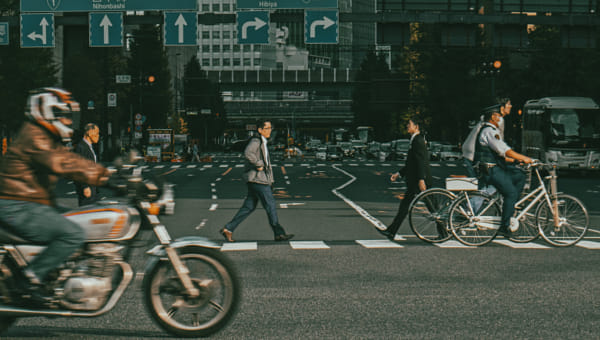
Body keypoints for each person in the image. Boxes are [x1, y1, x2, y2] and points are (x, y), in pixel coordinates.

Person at [0, 88, 110, 302]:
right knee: (73, 233)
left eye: (67, 115)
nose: (67, 121)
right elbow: (63, 162)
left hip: (29, 204)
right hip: (17, 205)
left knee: (79, 222)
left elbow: (63, 157)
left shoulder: (45, 137)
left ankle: (54, 275)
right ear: (44, 112)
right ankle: (30, 279)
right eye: (61, 115)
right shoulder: (34, 136)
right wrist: (107, 177)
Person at [220, 120, 294, 242]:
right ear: (260, 130)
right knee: (270, 205)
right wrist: (258, 164)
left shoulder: (262, 142)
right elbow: (248, 153)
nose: (270, 130)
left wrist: (271, 180)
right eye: (267, 128)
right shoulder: (256, 141)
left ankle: (228, 229)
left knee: (249, 207)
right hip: (258, 179)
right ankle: (279, 233)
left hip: (257, 179)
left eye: (271, 128)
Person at [475, 107, 533, 238]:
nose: (500, 119)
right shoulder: (490, 131)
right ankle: (504, 225)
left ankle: (510, 207)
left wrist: (516, 161)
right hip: (490, 169)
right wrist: (524, 158)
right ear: (493, 117)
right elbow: (504, 150)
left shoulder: (490, 131)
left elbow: (501, 155)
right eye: (498, 116)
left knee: (519, 175)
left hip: (495, 166)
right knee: (511, 193)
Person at [378, 118, 436, 240]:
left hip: (419, 180)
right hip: (415, 180)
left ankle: (391, 231)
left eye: (409, 124)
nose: (407, 126)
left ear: (416, 126)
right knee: (408, 206)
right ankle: (391, 231)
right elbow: (412, 163)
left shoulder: (418, 140)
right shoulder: (415, 140)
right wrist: (399, 173)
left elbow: (420, 162)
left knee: (432, 208)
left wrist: (421, 179)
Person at [74, 123, 100, 206]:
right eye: (97, 133)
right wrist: (84, 187)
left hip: (93, 186)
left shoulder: (90, 147)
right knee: (87, 213)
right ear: (89, 132)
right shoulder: (81, 147)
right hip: (87, 188)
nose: (98, 136)